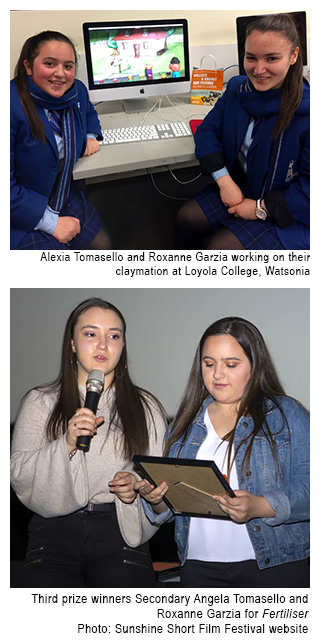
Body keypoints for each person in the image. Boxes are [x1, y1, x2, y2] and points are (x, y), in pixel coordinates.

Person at [135, 317, 310, 588]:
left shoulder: (286, 415)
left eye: (230, 364)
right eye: (209, 364)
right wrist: (155, 498)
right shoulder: (184, 424)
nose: (217, 374)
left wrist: (260, 506)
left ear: (255, 365)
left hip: (273, 566)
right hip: (198, 567)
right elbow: (169, 508)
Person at [10, 297, 167, 587]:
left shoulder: (146, 407)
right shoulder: (40, 401)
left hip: (121, 534)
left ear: (123, 345)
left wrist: (135, 484)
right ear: (72, 343)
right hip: (52, 535)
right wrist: (65, 443)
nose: (103, 346)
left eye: (114, 336)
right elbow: (18, 474)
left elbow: (159, 485)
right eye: (91, 334)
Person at [175, 14, 310, 250]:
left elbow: (311, 192)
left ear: (294, 56)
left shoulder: (308, 113)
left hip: (290, 207)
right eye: (251, 58)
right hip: (244, 185)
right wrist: (225, 181)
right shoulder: (238, 88)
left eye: (271, 58)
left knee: (221, 248)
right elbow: (206, 131)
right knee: (186, 218)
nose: (259, 69)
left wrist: (261, 208)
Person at [11, 31, 112, 250]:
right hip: (18, 202)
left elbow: (89, 113)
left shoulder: (76, 91)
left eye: (68, 66)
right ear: (28, 67)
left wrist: (91, 135)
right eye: (49, 63)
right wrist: (51, 223)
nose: (60, 74)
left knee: (102, 245)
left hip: (60, 187)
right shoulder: (10, 106)